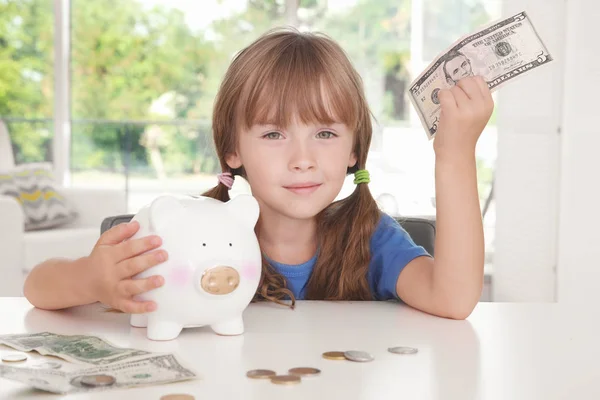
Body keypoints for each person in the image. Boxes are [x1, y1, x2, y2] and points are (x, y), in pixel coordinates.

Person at [23, 28, 493, 320]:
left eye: (326, 134)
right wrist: (92, 278)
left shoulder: (371, 239)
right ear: (231, 149)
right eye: (273, 134)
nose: (302, 158)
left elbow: (452, 300)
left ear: (354, 148)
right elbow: (37, 287)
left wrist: (454, 155)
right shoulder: (187, 228)